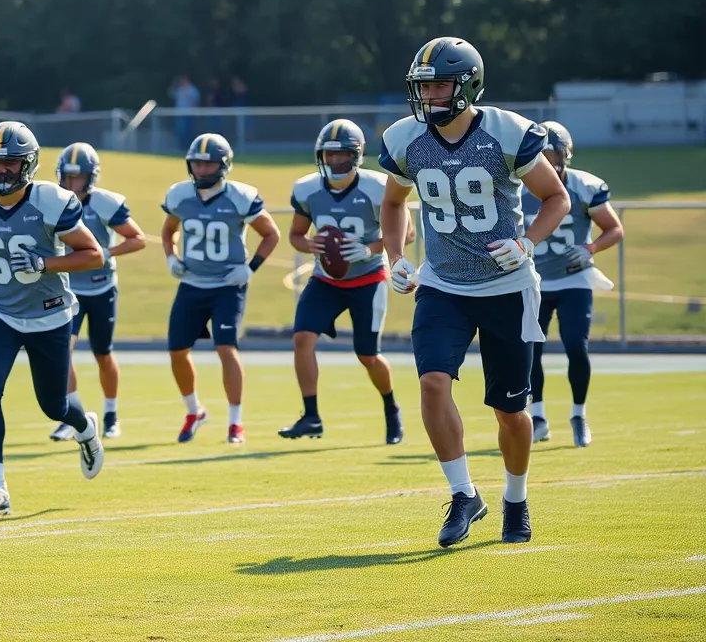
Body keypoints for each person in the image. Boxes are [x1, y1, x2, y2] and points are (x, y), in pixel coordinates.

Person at [378, 36, 569, 547]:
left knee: (509, 410)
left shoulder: (508, 133)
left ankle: (515, 497)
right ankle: (463, 494)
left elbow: (556, 197)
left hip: (507, 285)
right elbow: (394, 203)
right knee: (432, 383)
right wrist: (395, 257)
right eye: (422, 86)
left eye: (438, 85)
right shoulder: (404, 139)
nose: (428, 97)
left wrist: (527, 242)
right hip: (443, 284)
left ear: (467, 87)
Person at [0, 121, 106, 517]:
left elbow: (93, 254)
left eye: (10, 163)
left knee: (54, 407)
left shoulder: (53, 201)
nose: (1, 171)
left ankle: (85, 429)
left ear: (29, 165)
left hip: (48, 315)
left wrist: (45, 262)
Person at [279, 120, 411, 445]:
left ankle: (391, 408)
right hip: (325, 279)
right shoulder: (307, 188)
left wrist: (369, 247)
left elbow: (406, 233)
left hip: (368, 278)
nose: (335, 162)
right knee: (302, 339)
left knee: (367, 354)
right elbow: (296, 235)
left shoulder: (378, 187)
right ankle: (311, 416)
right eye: (329, 155)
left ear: (356, 156)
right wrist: (310, 246)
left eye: (342, 155)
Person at [161, 133, 280, 444]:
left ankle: (235, 422)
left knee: (225, 347)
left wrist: (249, 268)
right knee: (176, 351)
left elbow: (271, 234)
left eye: (208, 164)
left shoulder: (240, 196)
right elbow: (168, 231)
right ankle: (193, 411)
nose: (201, 170)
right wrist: (171, 257)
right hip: (192, 283)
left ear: (223, 165)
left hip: (228, 284)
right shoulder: (179, 195)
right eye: (197, 164)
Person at [522, 121, 623, 447]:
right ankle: (537, 416)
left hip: (573, 277)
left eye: (551, 154)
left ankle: (578, 414)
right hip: (533, 279)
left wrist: (591, 248)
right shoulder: (519, 188)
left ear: (564, 154)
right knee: (530, 352)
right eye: (540, 155)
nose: (546, 161)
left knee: (576, 347)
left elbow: (614, 229)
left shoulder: (584, 185)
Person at [48, 143, 146, 441]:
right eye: (67, 176)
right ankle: (72, 415)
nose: (71, 183)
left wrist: (106, 252)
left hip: (101, 287)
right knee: (62, 351)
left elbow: (138, 239)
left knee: (103, 354)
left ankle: (111, 413)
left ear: (90, 177)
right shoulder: (52, 201)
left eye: (77, 177)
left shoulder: (105, 202)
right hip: (68, 290)